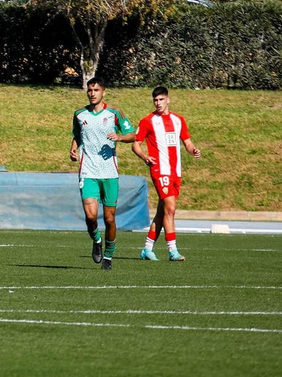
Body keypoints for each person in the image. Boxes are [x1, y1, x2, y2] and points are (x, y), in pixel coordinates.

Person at [119, 86, 203, 262]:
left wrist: (193, 149)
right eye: (155, 100)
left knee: (162, 211)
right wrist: (144, 157)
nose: (158, 103)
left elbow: (187, 142)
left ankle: (147, 249)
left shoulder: (178, 120)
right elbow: (136, 144)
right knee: (170, 209)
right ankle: (173, 250)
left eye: (161, 100)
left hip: (175, 171)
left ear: (168, 100)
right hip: (159, 170)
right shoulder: (148, 121)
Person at [71, 77, 135, 271]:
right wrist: (73, 149)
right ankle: (97, 240)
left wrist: (120, 137)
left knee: (109, 219)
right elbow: (77, 135)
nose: (92, 93)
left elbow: (133, 134)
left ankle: (109, 254)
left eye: (96, 90)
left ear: (103, 92)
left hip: (109, 172)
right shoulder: (80, 114)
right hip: (88, 170)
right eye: (90, 90)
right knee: (91, 216)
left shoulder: (115, 113)